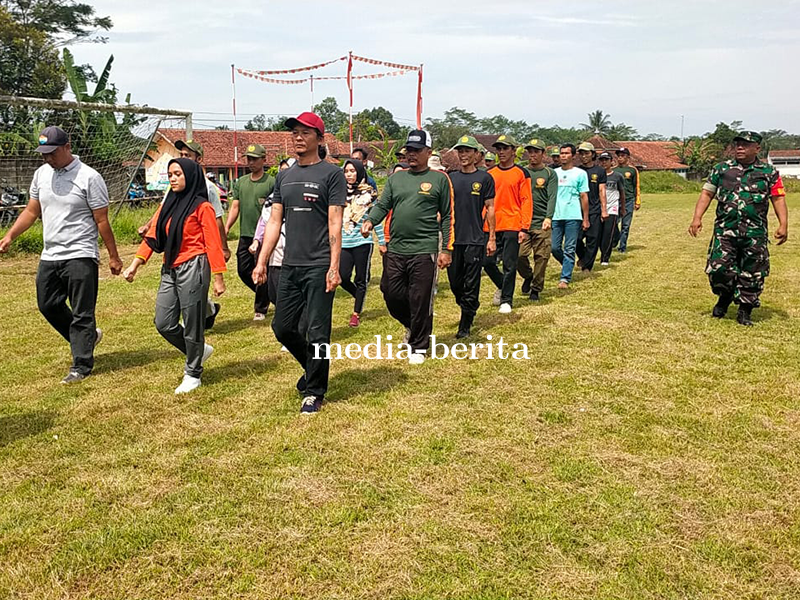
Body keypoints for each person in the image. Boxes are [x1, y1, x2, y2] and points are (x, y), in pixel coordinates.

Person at [0, 126, 122, 383]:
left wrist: (113, 255)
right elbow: (32, 211)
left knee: (82, 312)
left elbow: (101, 220)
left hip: (80, 254)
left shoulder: (89, 177)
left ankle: (81, 365)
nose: (47, 158)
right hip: (50, 254)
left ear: (67, 147)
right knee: (48, 305)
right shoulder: (41, 174)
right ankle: (87, 339)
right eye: (44, 153)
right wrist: (11, 235)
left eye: (52, 153)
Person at [252, 112, 346, 414]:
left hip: (319, 265)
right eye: (294, 133)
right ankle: (312, 366)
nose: (298, 137)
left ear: (320, 138)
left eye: (305, 132)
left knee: (318, 331)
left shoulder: (331, 175)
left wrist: (334, 266)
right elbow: (275, 220)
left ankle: (315, 391)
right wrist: (262, 261)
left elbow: (335, 223)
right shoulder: (285, 176)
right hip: (290, 265)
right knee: (282, 327)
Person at [122, 158, 227, 393]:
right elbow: (152, 236)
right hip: (170, 267)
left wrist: (219, 276)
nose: (172, 178)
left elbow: (212, 243)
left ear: (190, 176)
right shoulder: (167, 204)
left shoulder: (203, 207)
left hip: (194, 265)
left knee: (192, 323)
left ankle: (193, 373)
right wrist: (134, 265)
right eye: (170, 174)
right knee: (164, 323)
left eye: (178, 174)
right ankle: (199, 351)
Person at [362, 129, 453, 364]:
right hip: (397, 248)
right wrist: (370, 220)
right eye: (408, 150)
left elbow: (448, 216)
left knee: (420, 297)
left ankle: (419, 346)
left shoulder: (440, 179)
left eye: (416, 150)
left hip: (424, 248)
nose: (410, 154)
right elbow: (383, 205)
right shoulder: (396, 178)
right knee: (390, 293)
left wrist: (446, 249)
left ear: (428, 152)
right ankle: (414, 326)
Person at [688, 131, 788, 326]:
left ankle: (745, 309)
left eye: (745, 144)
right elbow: (707, 194)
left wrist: (783, 224)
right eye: (738, 144)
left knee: (752, 272)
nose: (740, 147)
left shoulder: (769, 173)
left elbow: (778, 198)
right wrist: (697, 218)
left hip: (754, 233)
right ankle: (724, 297)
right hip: (725, 231)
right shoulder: (721, 169)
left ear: (757, 148)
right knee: (719, 269)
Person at [138, 139, 230, 329]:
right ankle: (206, 312)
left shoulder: (207, 189)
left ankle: (198, 331)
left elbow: (217, 220)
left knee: (192, 297)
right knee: (182, 302)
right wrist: (149, 226)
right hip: (174, 256)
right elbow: (163, 212)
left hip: (194, 258)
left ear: (199, 159)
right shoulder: (174, 184)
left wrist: (224, 248)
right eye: (181, 154)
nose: (183, 157)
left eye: (188, 155)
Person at [447, 135, 496, 338]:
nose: (463, 154)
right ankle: (470, 305)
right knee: (455, 283)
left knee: (471, 282)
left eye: (467, 151)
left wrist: (491, 237)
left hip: (475, 239)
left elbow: (490, 208)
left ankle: (465, 325)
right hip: (453, 239)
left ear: (477, 154)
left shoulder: (484, 178)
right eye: (461, 151)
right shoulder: (451, 178)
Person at [224, 143, 276, 321]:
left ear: (264, 159)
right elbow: (235, 206)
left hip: (265, 236)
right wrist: (227, 226)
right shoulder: (241, 182)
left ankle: (260, 308)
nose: (251, 162)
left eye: (254, 159)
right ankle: (268, 294)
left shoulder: (271, 182)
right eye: (249, 159)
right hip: (246, 234)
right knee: (243, 269)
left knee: (262, 269)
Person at [483, 134, 532, 314]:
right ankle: (503, 285)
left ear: (513, 151)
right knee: (486, 262)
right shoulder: (489, 174)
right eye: (499, 149)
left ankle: (507, 300)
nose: (501, 152)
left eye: (505, 148)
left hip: (512, 223)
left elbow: (526, 200)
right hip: (491, 225)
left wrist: (524, 227)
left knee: (510, 264)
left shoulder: (521, 173)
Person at [340, 158, 386, 328]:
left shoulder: (369, 194)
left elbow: (375, 219)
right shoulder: (339, 193)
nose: (349, 174)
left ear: (359, 172)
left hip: (362, 242)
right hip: (344, 242)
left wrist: (382, 241)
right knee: (342, 277)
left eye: (352, 171)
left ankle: (356, 313)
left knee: (361, 278)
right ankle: (358, 295)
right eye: (346, 171)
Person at [518, 139, 557, 301]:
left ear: (543, 154)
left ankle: (536, 287)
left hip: (541, 221)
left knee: (541, 257)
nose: (532, 155)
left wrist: (548, 217)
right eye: (530, 151)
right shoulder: (521, 171)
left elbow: (552, 197)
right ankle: (528, 276)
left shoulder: (549, 174)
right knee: (519, 255)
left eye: (536, 151)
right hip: (523, 222)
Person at [551, 144, 589, 289]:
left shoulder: (580, 174)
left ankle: (565, 278)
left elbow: (584, 196)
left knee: (569, 247)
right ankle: (568, 264)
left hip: (573, 215)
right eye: (561, 153)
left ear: (573, 156)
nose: (563, 156)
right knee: (554, 247)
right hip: (556, 215)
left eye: (567, 153)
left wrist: (585, 218)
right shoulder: (554, 173)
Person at [574, 142, 607, 273]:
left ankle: (587, 266)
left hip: (594, 209)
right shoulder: (576, 171)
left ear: (592, 154)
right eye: (581, 153)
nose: (583, 156)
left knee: (592, 239)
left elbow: (602, 191)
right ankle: (583, 257)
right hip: (577, 210)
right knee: (576, 239)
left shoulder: (599, 171)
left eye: (586, 153)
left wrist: (604, 209)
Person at [597, 152, 626, 265]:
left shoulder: (617, 176)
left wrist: (622, 208)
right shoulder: (597, 175)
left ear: (611, 161)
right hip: (599, 208)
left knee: (608, 233)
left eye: (606, 160)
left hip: (612, 208)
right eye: (602, 160)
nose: (604, 162)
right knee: (598, 234)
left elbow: (622, 193)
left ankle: (605, 257)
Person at [613, 147, 640, 253]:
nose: (620, 158)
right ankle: (616, 238)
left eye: (622, 156)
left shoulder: (632, 170)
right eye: (618, 156)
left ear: (627, 157)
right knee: (613, 222)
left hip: (629, 200)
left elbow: (636, 186)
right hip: (616, 200)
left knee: (626, 225)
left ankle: (622, 246)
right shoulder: (614, 170)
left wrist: (637, 201)